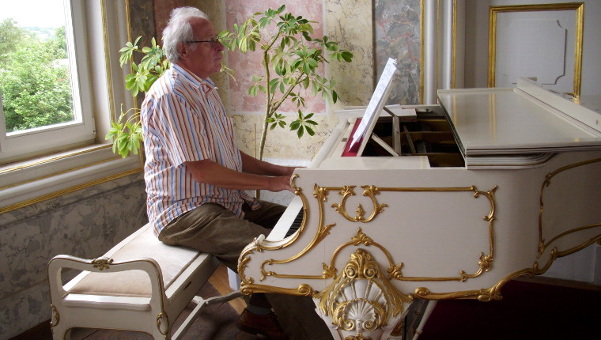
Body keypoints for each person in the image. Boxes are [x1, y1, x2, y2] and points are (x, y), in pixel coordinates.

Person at [140, 6, 332, 340]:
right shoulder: (172, 95)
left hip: (220, 201)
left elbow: (229, 157)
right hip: (184, 211)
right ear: (183, 50)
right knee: (275, 258)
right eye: (210, 40)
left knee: (308, 224)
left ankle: (259, 314)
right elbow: (201, 171)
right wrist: (274, 183)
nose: (221, 47)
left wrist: (286, 171)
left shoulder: (204, 89)